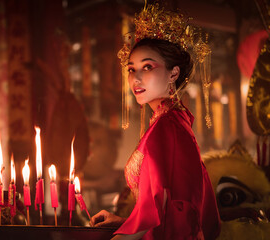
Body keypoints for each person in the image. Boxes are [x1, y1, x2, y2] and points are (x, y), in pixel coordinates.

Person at [90, 3, 221, 240]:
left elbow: (167, 208)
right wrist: (124, 221)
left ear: (173, 73)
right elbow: (165, 208)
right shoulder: (173, 120)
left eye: (147, 67)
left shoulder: (168, 126)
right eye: (131, 69)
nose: (136, 78)